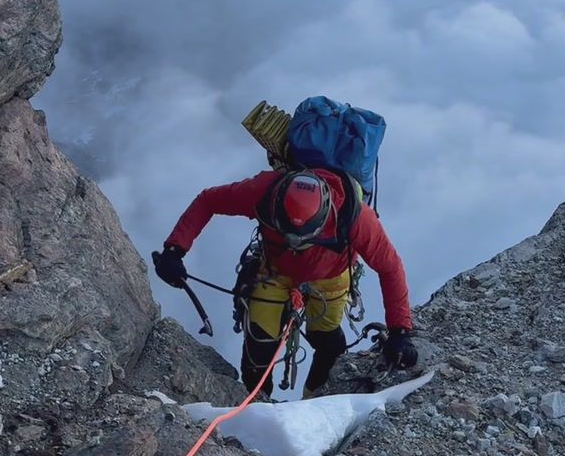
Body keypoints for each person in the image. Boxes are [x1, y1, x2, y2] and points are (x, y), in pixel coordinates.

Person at [153, 168, 417, 398]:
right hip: (279, 270)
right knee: (259, 346)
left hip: (325, 277)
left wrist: (399, 331)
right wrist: (175, 249)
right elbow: (208, 200)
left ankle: (311, 405)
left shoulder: (356, 217)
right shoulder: (264, 191)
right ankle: (257, 406)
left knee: (327, 344)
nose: (295, 242)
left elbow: (390, 267)